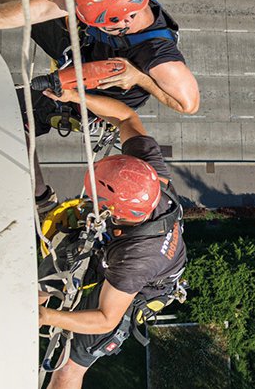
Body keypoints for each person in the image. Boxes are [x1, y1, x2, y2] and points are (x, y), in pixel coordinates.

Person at [0, 0, 200, 213]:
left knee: (15, 114)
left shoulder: (159, 58)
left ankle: (40, 196)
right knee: (26, 0)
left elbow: (188, 104)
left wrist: (139, 77)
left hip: (97, 96)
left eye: (97, 22)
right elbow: (42, 9)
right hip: (85, 50)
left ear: (125, 20)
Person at [36, 86, 186, 389]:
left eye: (95, 199)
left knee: (67, 369)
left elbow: (105, 317)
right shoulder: (147, 172)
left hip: (135, 289)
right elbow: (125, 115)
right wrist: (73, 95)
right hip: (117, 245)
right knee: (50, 271)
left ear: (113, 211)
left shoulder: (137, 259)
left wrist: (44, 316)